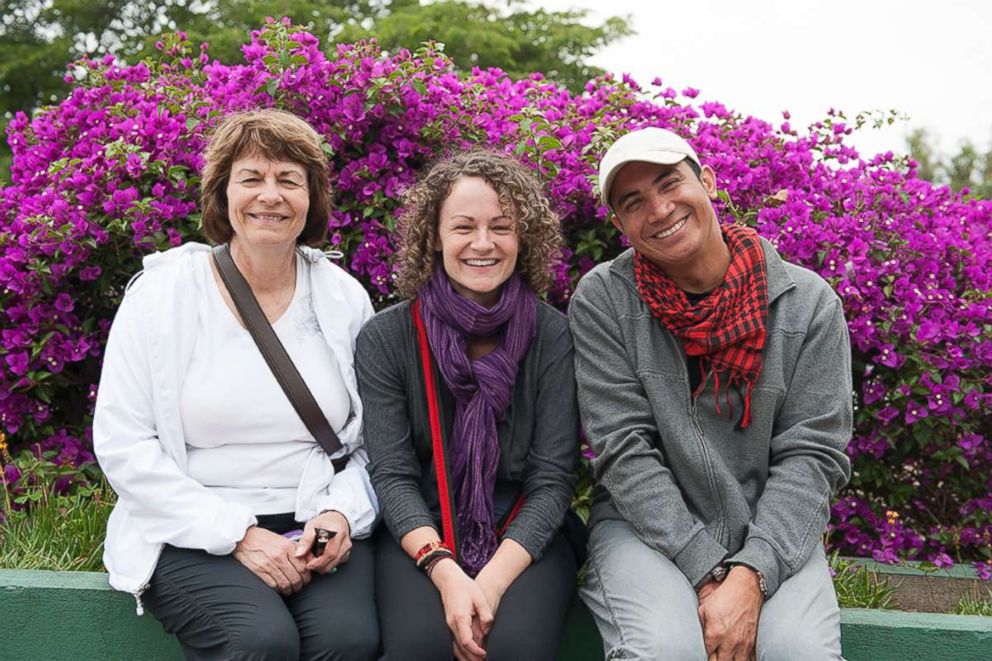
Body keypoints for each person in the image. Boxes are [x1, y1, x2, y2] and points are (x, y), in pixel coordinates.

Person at [93, 109, 379, 660]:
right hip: (190, 526)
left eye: (289, 180)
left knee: (349, 643)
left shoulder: (345, 298)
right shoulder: (161, 296)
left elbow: (370, 439)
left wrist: (340, 514)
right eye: (251, 178)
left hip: (311, 520)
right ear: (223, 193)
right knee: (259, 642)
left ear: (312, 200)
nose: (269, 195)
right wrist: (239, 535)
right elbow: (124, 444)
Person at [570, 127, 852, 660]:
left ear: (708, 181)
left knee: (801, 652)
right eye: (634, 202)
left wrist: (752, 572)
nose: (659, 209)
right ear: (620, 224)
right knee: (663, 649)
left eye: (669, 182)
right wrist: (708, 573)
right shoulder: (604, 300)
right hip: (645, 531)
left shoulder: (807, 303)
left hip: (771, 527)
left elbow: (814, 455)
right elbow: (623, 449)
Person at [356, 150, 580, 661]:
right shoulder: (387, 338)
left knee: (515, 649)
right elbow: (391, 474)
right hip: (422, 532)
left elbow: (552, 480)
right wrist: (447, 572)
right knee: (418, 648)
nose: (483, 243)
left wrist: (490, 585)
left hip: (524, 534)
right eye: (463, 227)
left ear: (523, 238)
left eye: (501, 226)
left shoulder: (552, 335)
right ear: (435, 237)